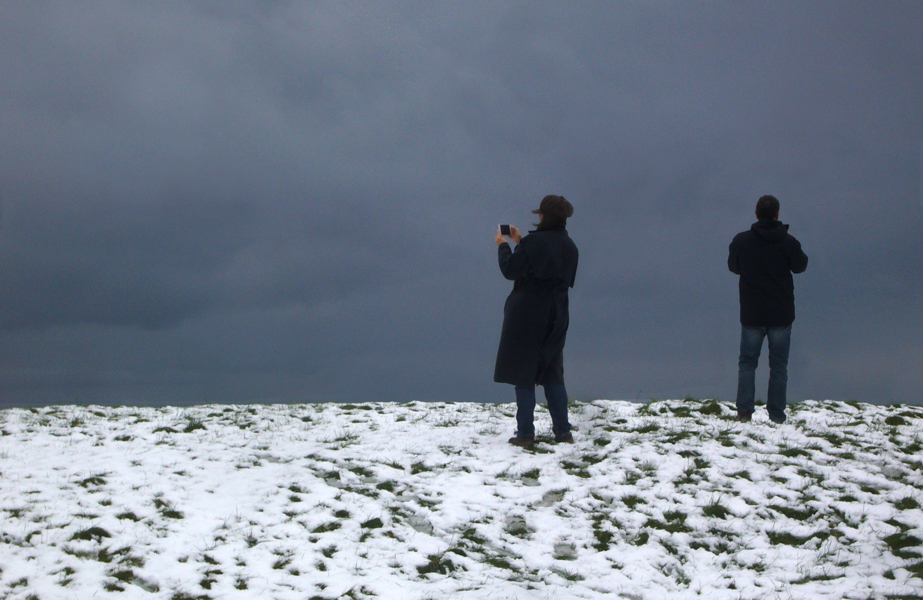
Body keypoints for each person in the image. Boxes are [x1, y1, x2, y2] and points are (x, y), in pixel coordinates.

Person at [494, 194, 579, 447]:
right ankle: (563, 432)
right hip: (558, 314)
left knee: (524, 373)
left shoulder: (534, 243)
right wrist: (521, 240)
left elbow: (511, 269)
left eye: (540, 213)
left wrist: (503, 244)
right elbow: (547, 264)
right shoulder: (570, 246)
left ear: (544, 216)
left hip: (527, 315)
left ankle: (525, 435)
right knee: (553, 372)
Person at [728, 195, 808, 424]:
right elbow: (800, 266)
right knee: (779, 366)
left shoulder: (742, 241)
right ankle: (776, 415)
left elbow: (733, 266)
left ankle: (744, 412)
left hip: (752, 312)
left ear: (756, 214)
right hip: (781, 314)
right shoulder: (788, 242)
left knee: (747, 363)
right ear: (777, 214)